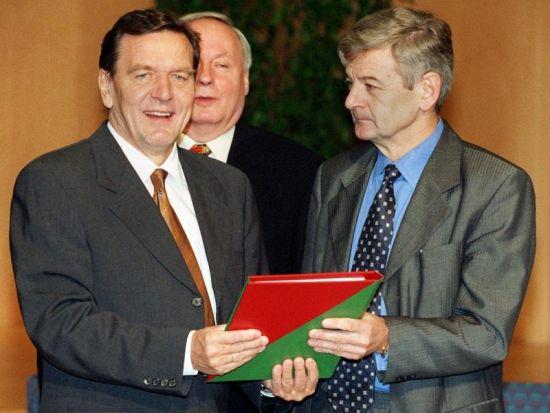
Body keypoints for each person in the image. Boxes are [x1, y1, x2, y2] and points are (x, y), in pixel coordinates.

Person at [10, 9, 316, 412]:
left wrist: (272, 382)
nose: (164, 93)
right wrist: (187, 352)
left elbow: (248, 323)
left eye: (180, 76)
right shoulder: (56, 181)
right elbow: (59, 322)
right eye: (143, 75)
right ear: (107, 87)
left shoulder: (230, 187)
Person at [299, 7, 536, 413]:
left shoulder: (494, 185)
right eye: (351, 83)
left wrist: (386, 337)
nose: (351, 100)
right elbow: (311, 304)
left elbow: (487, 333)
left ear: (427, 90)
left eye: (371, 85)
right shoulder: (335, 177)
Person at [179, 12, 323, 276]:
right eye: (193, 64)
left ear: (245, 80)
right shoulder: (136, 163)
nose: (205, 77)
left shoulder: (300, 171)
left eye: (222, 65)